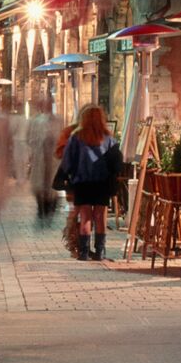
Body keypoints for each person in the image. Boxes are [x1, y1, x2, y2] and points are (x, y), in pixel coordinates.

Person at [55, 104, 124, 262]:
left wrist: (66, 176)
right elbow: (117, 162)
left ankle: (84, 253)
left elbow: (67, 161)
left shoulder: (76, 137)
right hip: (102, 183)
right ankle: (100, 252)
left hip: (82, 182)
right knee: (100, 216)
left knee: (85, 216)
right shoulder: (109, 139)